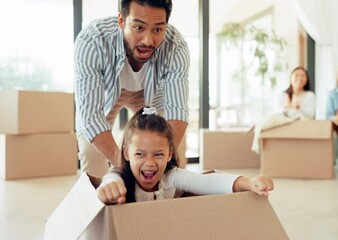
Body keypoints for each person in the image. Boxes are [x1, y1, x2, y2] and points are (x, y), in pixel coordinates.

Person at [74, 0, 190, 177]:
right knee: (91, 154)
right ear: (122, 21)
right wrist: (126, 167)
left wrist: (161, 164)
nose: (148, 40)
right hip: (106, 91)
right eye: (139, 28)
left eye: (157, 29)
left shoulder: (176, 46)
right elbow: (91, 117)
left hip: (151, 92)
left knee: (175, 157)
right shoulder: (91, 41)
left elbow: (178, 112)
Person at [97, 107, 274, 204]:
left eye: (158, 154)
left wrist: (248, 183)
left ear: (169, 154)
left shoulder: (172, 177)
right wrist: (110, 188)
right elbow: (111, 180)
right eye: (140, 154)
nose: (149, 163)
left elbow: (208, 182)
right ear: (127, 153)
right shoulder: (120, 177)